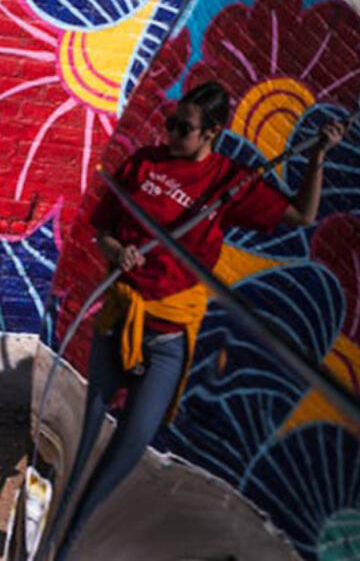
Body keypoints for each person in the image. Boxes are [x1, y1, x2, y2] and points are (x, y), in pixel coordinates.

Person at [47, 81, 344, 560]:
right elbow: (102, 228)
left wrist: (317, 158)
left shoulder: (231, 182)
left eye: (184, 129)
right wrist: (116, 252)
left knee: (130, 444)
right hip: (120, 319)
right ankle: (52, 536)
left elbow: (301, 215)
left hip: (167, 335)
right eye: (171, 123)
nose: (171, 134)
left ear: (213, 134)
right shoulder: (145, 162)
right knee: (84, 441)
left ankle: (71, 539)